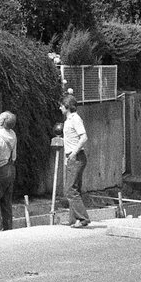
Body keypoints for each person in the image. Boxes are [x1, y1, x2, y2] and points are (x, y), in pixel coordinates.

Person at [60, 95, 90, 227]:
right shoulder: (69, 120)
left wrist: (74, 152)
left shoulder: (75, 119)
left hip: (76, 157)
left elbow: (84, 137)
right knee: (74, 188)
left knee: (70, 190)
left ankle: (83, 218)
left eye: (61, 105)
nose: (60, 107)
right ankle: (74, 219)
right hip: (72, 157)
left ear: (67, 107)